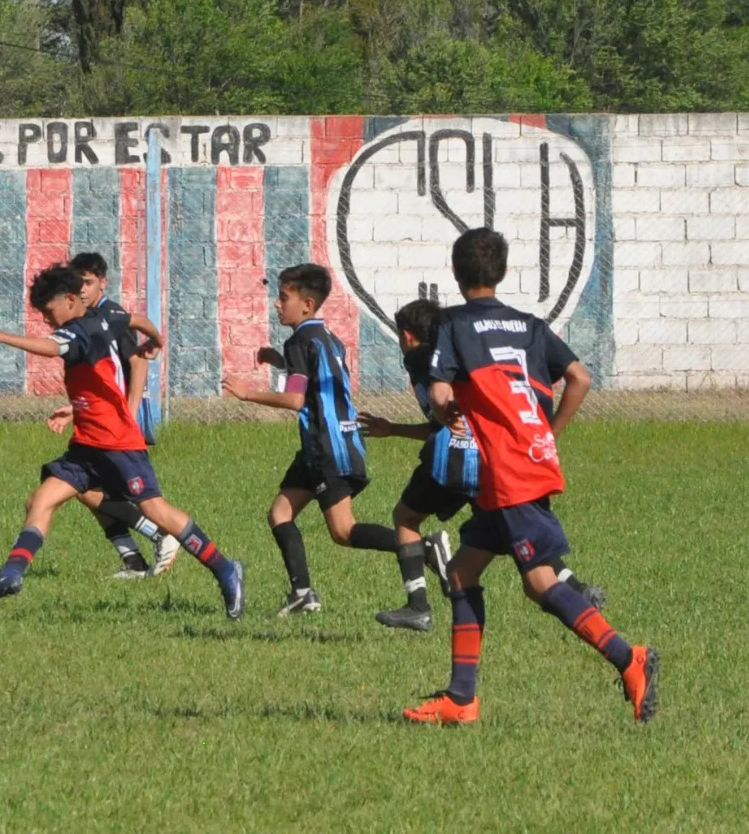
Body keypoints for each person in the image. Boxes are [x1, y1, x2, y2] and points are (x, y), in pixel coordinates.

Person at [403, 228, 658, 725]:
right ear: (500, 272)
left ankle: (631, 660)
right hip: (526, 460)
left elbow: (438, 397)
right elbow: (580, 378)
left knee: (541, 582)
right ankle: (461, 700)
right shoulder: (529, 325)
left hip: (506, 470)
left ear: (456, 273)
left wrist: (451, 409)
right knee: (461, 573)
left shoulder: (452, 324)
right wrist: (549, 432)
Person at [0, 263, 246, 618]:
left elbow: (50, 348)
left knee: (155, 509)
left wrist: (1, 335)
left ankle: (225, 569)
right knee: (40, 499)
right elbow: (139, 320)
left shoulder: (77, 331)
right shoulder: (107, 316)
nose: (48, 322)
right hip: (87, 444)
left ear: (69, 300)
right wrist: (156, 342)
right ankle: (11, 574)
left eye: (49, 312)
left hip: (117, 443)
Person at [360, 299, 606, 632]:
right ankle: (576, 588)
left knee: (406, 517)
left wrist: (397, 428)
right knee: (514, 528)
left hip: (453, 461)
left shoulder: (421, 362)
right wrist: (392, 429)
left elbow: (445, 425)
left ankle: (417, 605)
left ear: (407, 336)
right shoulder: (482, 346)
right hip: (493, 459)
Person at [222, 263, 420, 617]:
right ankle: (301, 592)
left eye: (283, 298)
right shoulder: (327, 337)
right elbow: (316, 378)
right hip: (334, 443)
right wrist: (281, 362)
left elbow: (296, 399)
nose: (276, 305)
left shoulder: (298, 340)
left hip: (325, 448)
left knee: (343, 531)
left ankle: (420, 546)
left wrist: (247, 394)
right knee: (280, 513)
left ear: (307, 305)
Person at [40, 252, 178, 579]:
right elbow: (104, 377)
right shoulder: (85, 319)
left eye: (88, 282)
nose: (83, 289)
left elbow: (137, 364)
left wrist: (129, 418)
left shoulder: (110, 314)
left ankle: (160, 535)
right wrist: (75, 410)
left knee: (95, 491)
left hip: (119, 429)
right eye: (78, 282)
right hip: (104, 424)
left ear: (103, 282)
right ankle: (133, 558)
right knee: (86, 491)